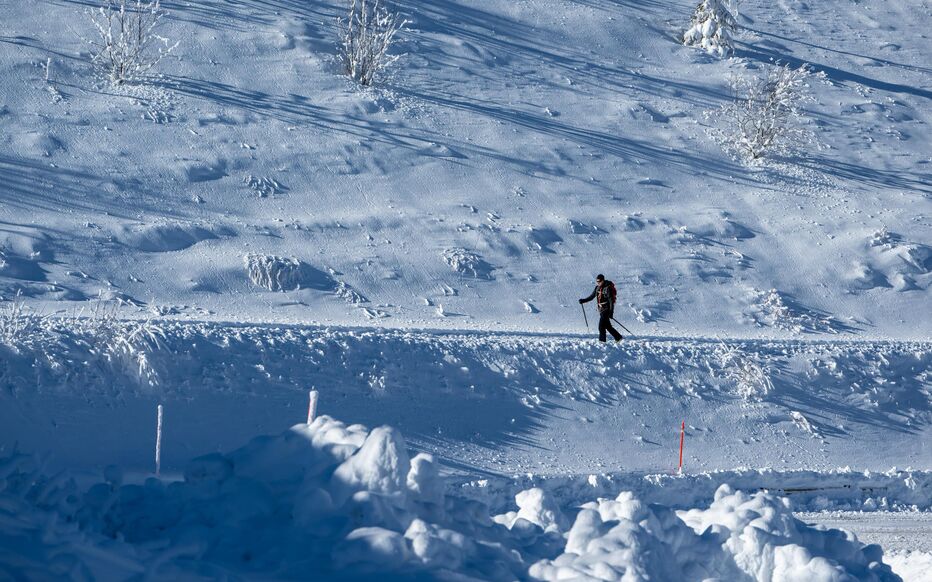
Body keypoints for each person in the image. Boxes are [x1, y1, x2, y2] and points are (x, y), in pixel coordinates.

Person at [579, 274, 623, 342]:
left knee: (601, 326)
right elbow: (592, 296)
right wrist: (583, 300)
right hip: (601, 310)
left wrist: (611, 312)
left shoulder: (607, 288)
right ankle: (618, 337)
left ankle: (602, 342)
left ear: (603, 280)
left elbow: (611, 301)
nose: (598, 282)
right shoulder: (597, 288)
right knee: (608, 326)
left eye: (599, 281)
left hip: (606, 309)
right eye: (597, 281)